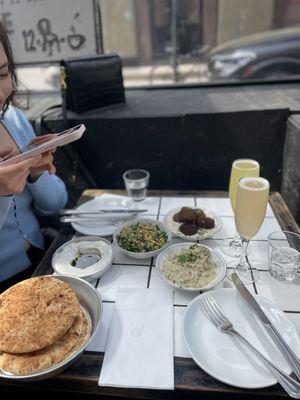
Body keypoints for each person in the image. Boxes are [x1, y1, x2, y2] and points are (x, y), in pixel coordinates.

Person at [0, 22, 68, 289]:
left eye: (2, 74)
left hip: (42, 258)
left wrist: (38, 173)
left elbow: (56, 204)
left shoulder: (14, 120)